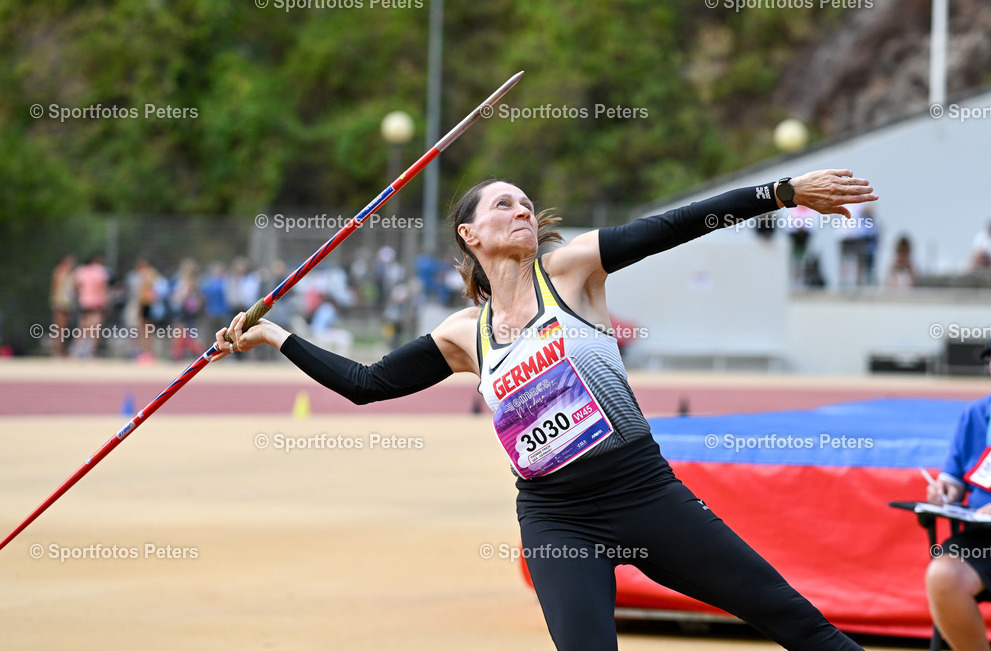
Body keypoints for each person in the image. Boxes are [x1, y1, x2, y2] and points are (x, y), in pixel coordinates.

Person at [213, 169, 876, 650]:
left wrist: (781, 193)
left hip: (643, 491)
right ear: (471, 234)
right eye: (504, 204)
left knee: (791, 619)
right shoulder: (462, 335)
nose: (523, 210)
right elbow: (367, 383)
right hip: (558, 518)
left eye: (527, 203)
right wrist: (273, 335)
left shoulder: (571, 271)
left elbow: (674, 227)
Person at [925, 327, 991, 651]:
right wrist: (944, 492)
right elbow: (954, 479)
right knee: (943, 575)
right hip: (987, 536)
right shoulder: (975, 415)